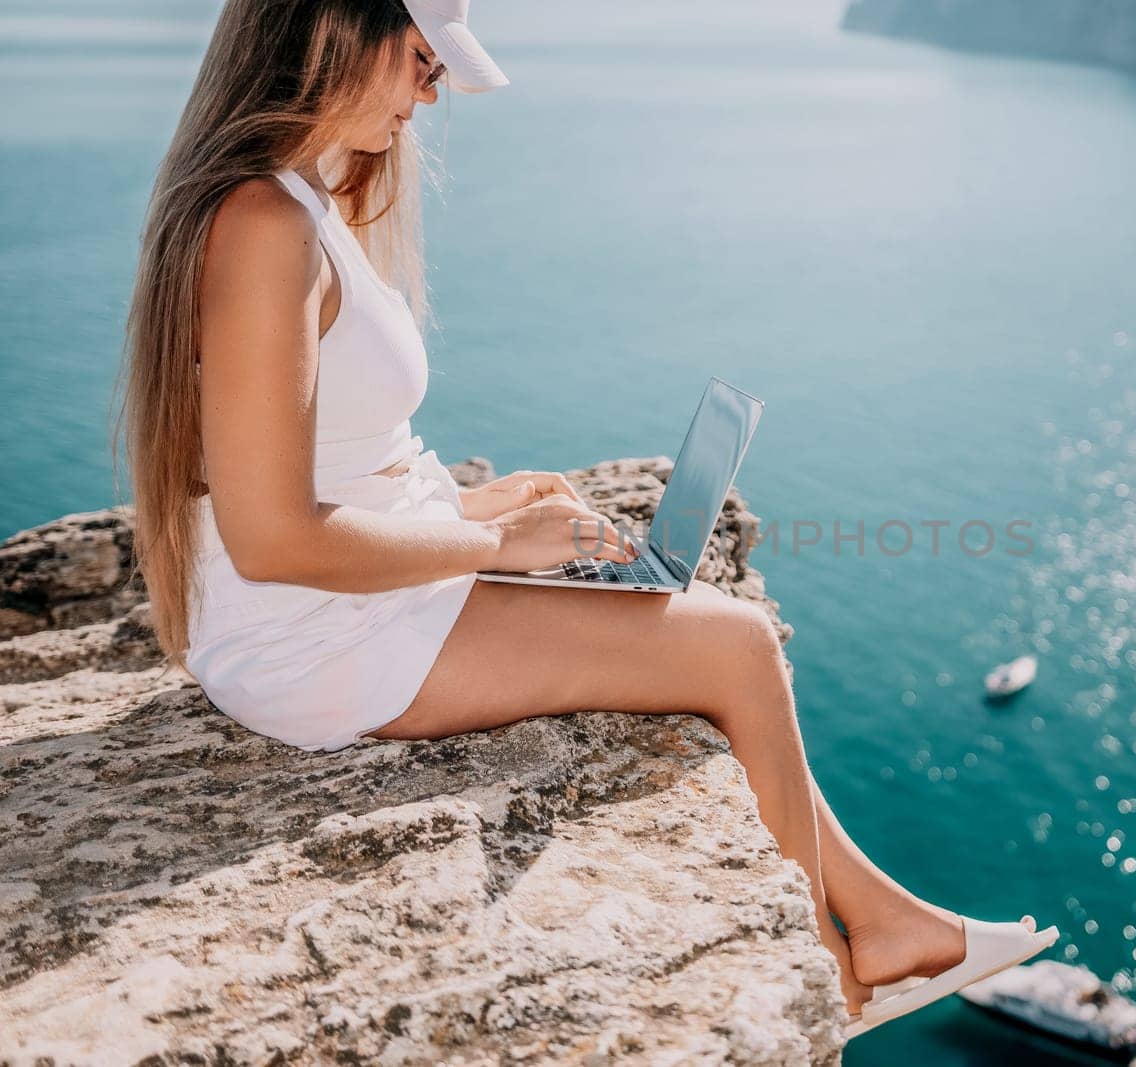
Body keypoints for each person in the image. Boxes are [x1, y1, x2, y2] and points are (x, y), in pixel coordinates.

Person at [113, 0, 1054, 1032]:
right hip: (311, 636)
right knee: (733, 648)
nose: (433, 91)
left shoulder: (301, 197)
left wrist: (482, 501)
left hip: (341, 609)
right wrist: (491, 544)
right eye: (422, 59)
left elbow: (329, 465)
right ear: (335, 28)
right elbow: (274, 534)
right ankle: (833, 975)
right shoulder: (262, 223)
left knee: (692, 618)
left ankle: (884, 918)